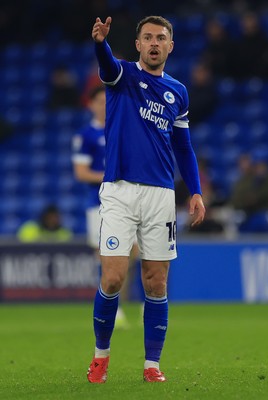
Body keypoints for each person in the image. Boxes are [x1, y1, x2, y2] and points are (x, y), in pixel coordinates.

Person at [87, 15, 205, 384]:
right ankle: (101, 357)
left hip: (160, 195)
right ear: (138, 44)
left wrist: (196, 190)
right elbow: (106, 65)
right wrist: (100, 43)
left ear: (170, 46)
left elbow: (183, 146)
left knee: (156, 282)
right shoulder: (122, 76)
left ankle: (152, 365)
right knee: (113, 278)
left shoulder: (178, 92)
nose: (154, 43)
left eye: (161, 38)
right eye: (148, 37)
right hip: (120, 190)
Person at [72, 86, 135, 328]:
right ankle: (113, 308)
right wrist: (111, 176)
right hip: (98, 204)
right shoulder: (86, 135)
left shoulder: (122, 129)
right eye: (100, 101)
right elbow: (81, 173)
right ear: (91, 104)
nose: (104, 105)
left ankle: (127, 302)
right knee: (106, 257)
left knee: (134, 253)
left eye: (107, 101)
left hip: (128, 200)